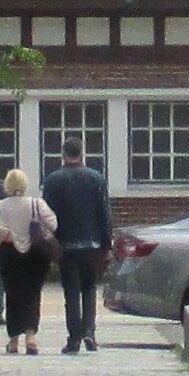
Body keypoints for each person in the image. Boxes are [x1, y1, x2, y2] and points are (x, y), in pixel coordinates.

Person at [40, 145, 113, 351]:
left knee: (71, 292)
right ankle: (90, 331)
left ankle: (74, 338)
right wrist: (107, 243)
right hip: (92, 243)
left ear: (63, 154)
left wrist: (50, 244)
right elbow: (104, 213)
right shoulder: (96, 178)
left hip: (65, 245)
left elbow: (48, 216)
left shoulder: (53, 180)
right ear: (82, 153)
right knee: (89, 289)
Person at [0, 165, 56, 353]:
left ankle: (14, 340)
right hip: (35, 253)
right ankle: (31, 337)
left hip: (9, 251)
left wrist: (4, 232)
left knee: (12, 294)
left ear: (7, 186)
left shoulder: (1, 206)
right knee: (33, 293)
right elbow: (53, 223)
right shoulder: (36, 203)